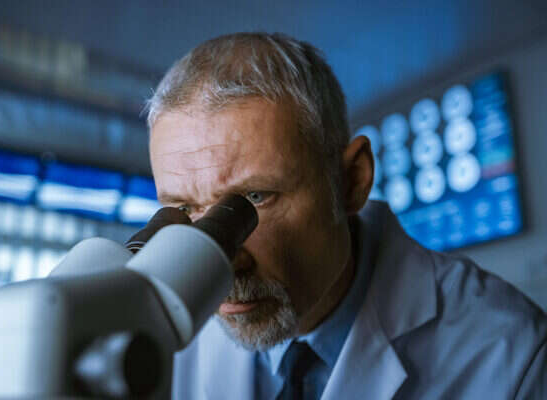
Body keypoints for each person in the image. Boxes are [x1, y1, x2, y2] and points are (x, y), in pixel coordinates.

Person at [144, 32, 547, 399]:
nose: (224, 262)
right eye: (184, 209)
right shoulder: (166, 333)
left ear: (352, 181)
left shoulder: (512, 357)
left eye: (255, 197)